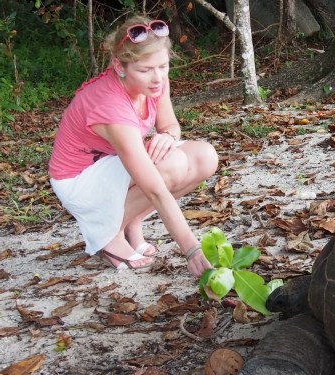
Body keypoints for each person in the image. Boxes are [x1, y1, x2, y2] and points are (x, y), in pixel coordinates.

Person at [48, 15, 217, 276]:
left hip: (113, 165)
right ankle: (109, 235)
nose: (157, 78)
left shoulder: (155, 83)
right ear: (119, 66)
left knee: (205, 156)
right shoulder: (110, 106)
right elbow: (155, 189)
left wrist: (169, 137)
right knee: (173, 164)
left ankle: (131, 222)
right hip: (78, 179)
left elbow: (171, 124)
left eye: (163, 66)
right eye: (145, 70)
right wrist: (191, 249)